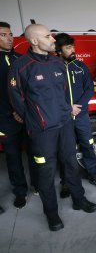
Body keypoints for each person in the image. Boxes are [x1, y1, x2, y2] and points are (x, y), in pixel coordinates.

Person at [8, 24, 96, 231]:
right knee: (46, 173)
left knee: (71, 164)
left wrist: (67, 110)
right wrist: (33, 121)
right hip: (42, 132)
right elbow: (16, 100)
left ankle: (79, 199)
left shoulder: (58, 63)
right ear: (34, 41)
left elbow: (64, 93)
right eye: (48, 36)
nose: (52, 40)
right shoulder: (21, 67)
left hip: (65, 125)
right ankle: (52, 214)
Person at [54, 33, 96, 190]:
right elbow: (50, 94)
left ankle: (94, 174)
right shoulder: (53, 68)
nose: (73, 50)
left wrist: (79, 107)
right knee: (65, 150)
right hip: (63, 117)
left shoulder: (80, 66)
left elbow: (89, 88)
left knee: (88, 144)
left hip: (81, 115)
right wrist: (68, 108)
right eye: (68, 47)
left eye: (73, 46)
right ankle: (66, 182)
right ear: (58, 50)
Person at [0, 22, 38, 209]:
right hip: (6, 120)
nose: (9, 38)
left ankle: (37, 184)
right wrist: (12, 112)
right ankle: (20, 192)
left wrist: (23, 112)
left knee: (34, 152)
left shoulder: (21, 59)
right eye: (3, 35)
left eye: (10, 34)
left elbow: (30, 90)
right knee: (13, 157)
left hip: (26, 116)